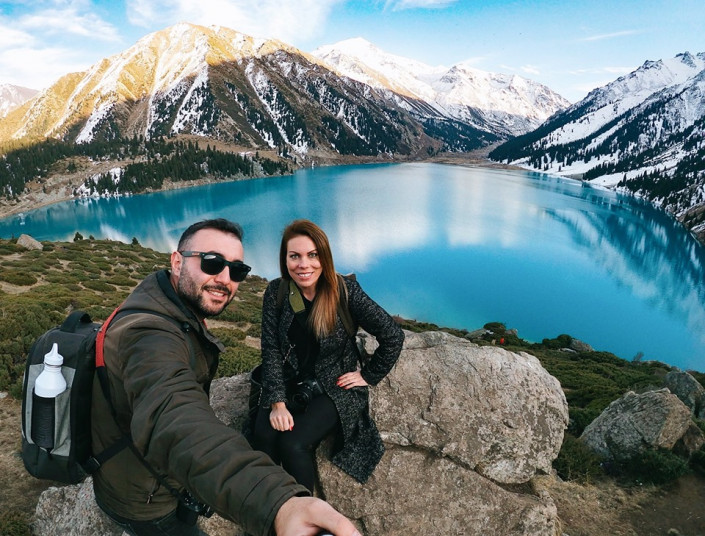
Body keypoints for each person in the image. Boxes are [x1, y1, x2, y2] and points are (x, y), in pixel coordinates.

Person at [90, 218, 360, 536]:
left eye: (237, 270)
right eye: (212, 262)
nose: (224, 279)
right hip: (147, 501)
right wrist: (279, 505)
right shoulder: (149, 336)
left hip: (155, 477)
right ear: (177, 262)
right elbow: (175, 421)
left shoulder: (165, 302)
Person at [253, 219, 404, 492]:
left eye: (313, 255)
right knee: (263, 437)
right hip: (289, 378)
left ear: (325, 257)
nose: (304, 265)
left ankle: (305, 511)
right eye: (295, 256)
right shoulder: (277, 292)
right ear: (285, 259)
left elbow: (393, 335)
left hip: (335, 384)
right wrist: (277, 403)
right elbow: (271, 348)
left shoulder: (345, 291)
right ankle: (269, 501)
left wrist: (368, 375)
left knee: (293, 443)